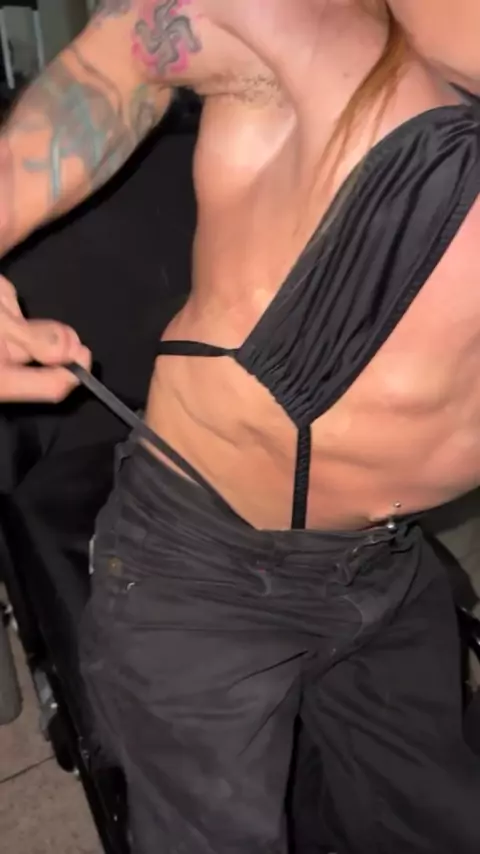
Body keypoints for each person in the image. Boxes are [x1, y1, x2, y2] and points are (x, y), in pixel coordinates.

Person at [1, 1, 480, 851]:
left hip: (386, 562)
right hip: (205, 568)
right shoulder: (320, 21)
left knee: (431, 821)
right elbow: (119, 63)